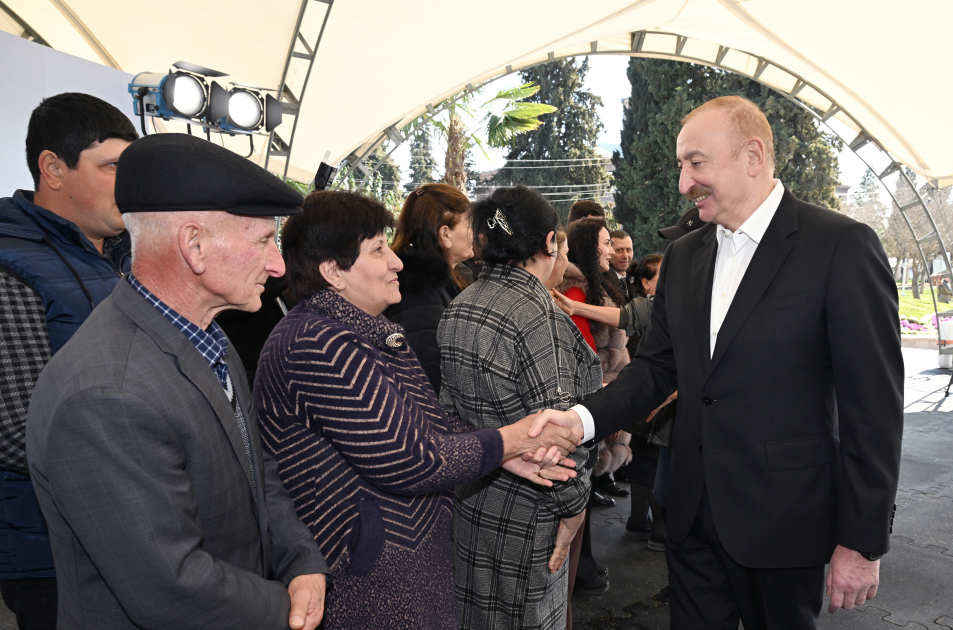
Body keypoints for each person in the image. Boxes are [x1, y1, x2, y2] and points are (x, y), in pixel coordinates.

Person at [529, 95, 904, 629]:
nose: (683, 183)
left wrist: (862, 542)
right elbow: (656, 369)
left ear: (753, 155)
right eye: (682, 166)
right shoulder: (685, 256)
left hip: (784, 524)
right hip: (690, 519)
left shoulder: (840, 247)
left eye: (696, 163)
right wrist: (580, 420)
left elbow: (875, 409)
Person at [26, 133, 331, 630]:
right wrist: (289, 609)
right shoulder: (108, 394)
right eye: (262, 241)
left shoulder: (204, 334)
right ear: (193, 246)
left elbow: (256, 465)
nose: (277, 264)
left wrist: (300, 560)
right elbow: (171, 588)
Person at [253, 189, 581, 629]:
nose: (397, 262)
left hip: (406, 568)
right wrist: (516, 438)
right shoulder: (319, 343)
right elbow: (411, 459)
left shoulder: (362, 331)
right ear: (333, 271)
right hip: (373, 585)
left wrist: (506, 455)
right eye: (377, 249)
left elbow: (433, 423)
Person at [0, 92, 138, 630]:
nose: (127, 185)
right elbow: (18, 428)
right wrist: (156, 450)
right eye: (111, 168)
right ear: (53, 169)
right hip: (51, 554)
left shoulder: (123, 256)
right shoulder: (12, 266)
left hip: (127, 530)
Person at [438, 186, 601, 630]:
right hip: (533, 515)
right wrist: (575, 508)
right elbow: (556, 435)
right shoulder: (535, 314)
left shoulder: (460, 305)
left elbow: (446, 410)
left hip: (474, 502)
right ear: (550, 242)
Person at [384, 183, 473, 394]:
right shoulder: (417, 290)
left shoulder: (450, 277)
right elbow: (429, 373)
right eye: (469, 224)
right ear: (445, 235)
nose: (475, 232)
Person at [609, 229, 635, 301]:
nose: (625, 256)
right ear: (609, 252)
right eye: (619, 250)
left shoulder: (639, 280)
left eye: (628, 250)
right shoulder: (601, 283)